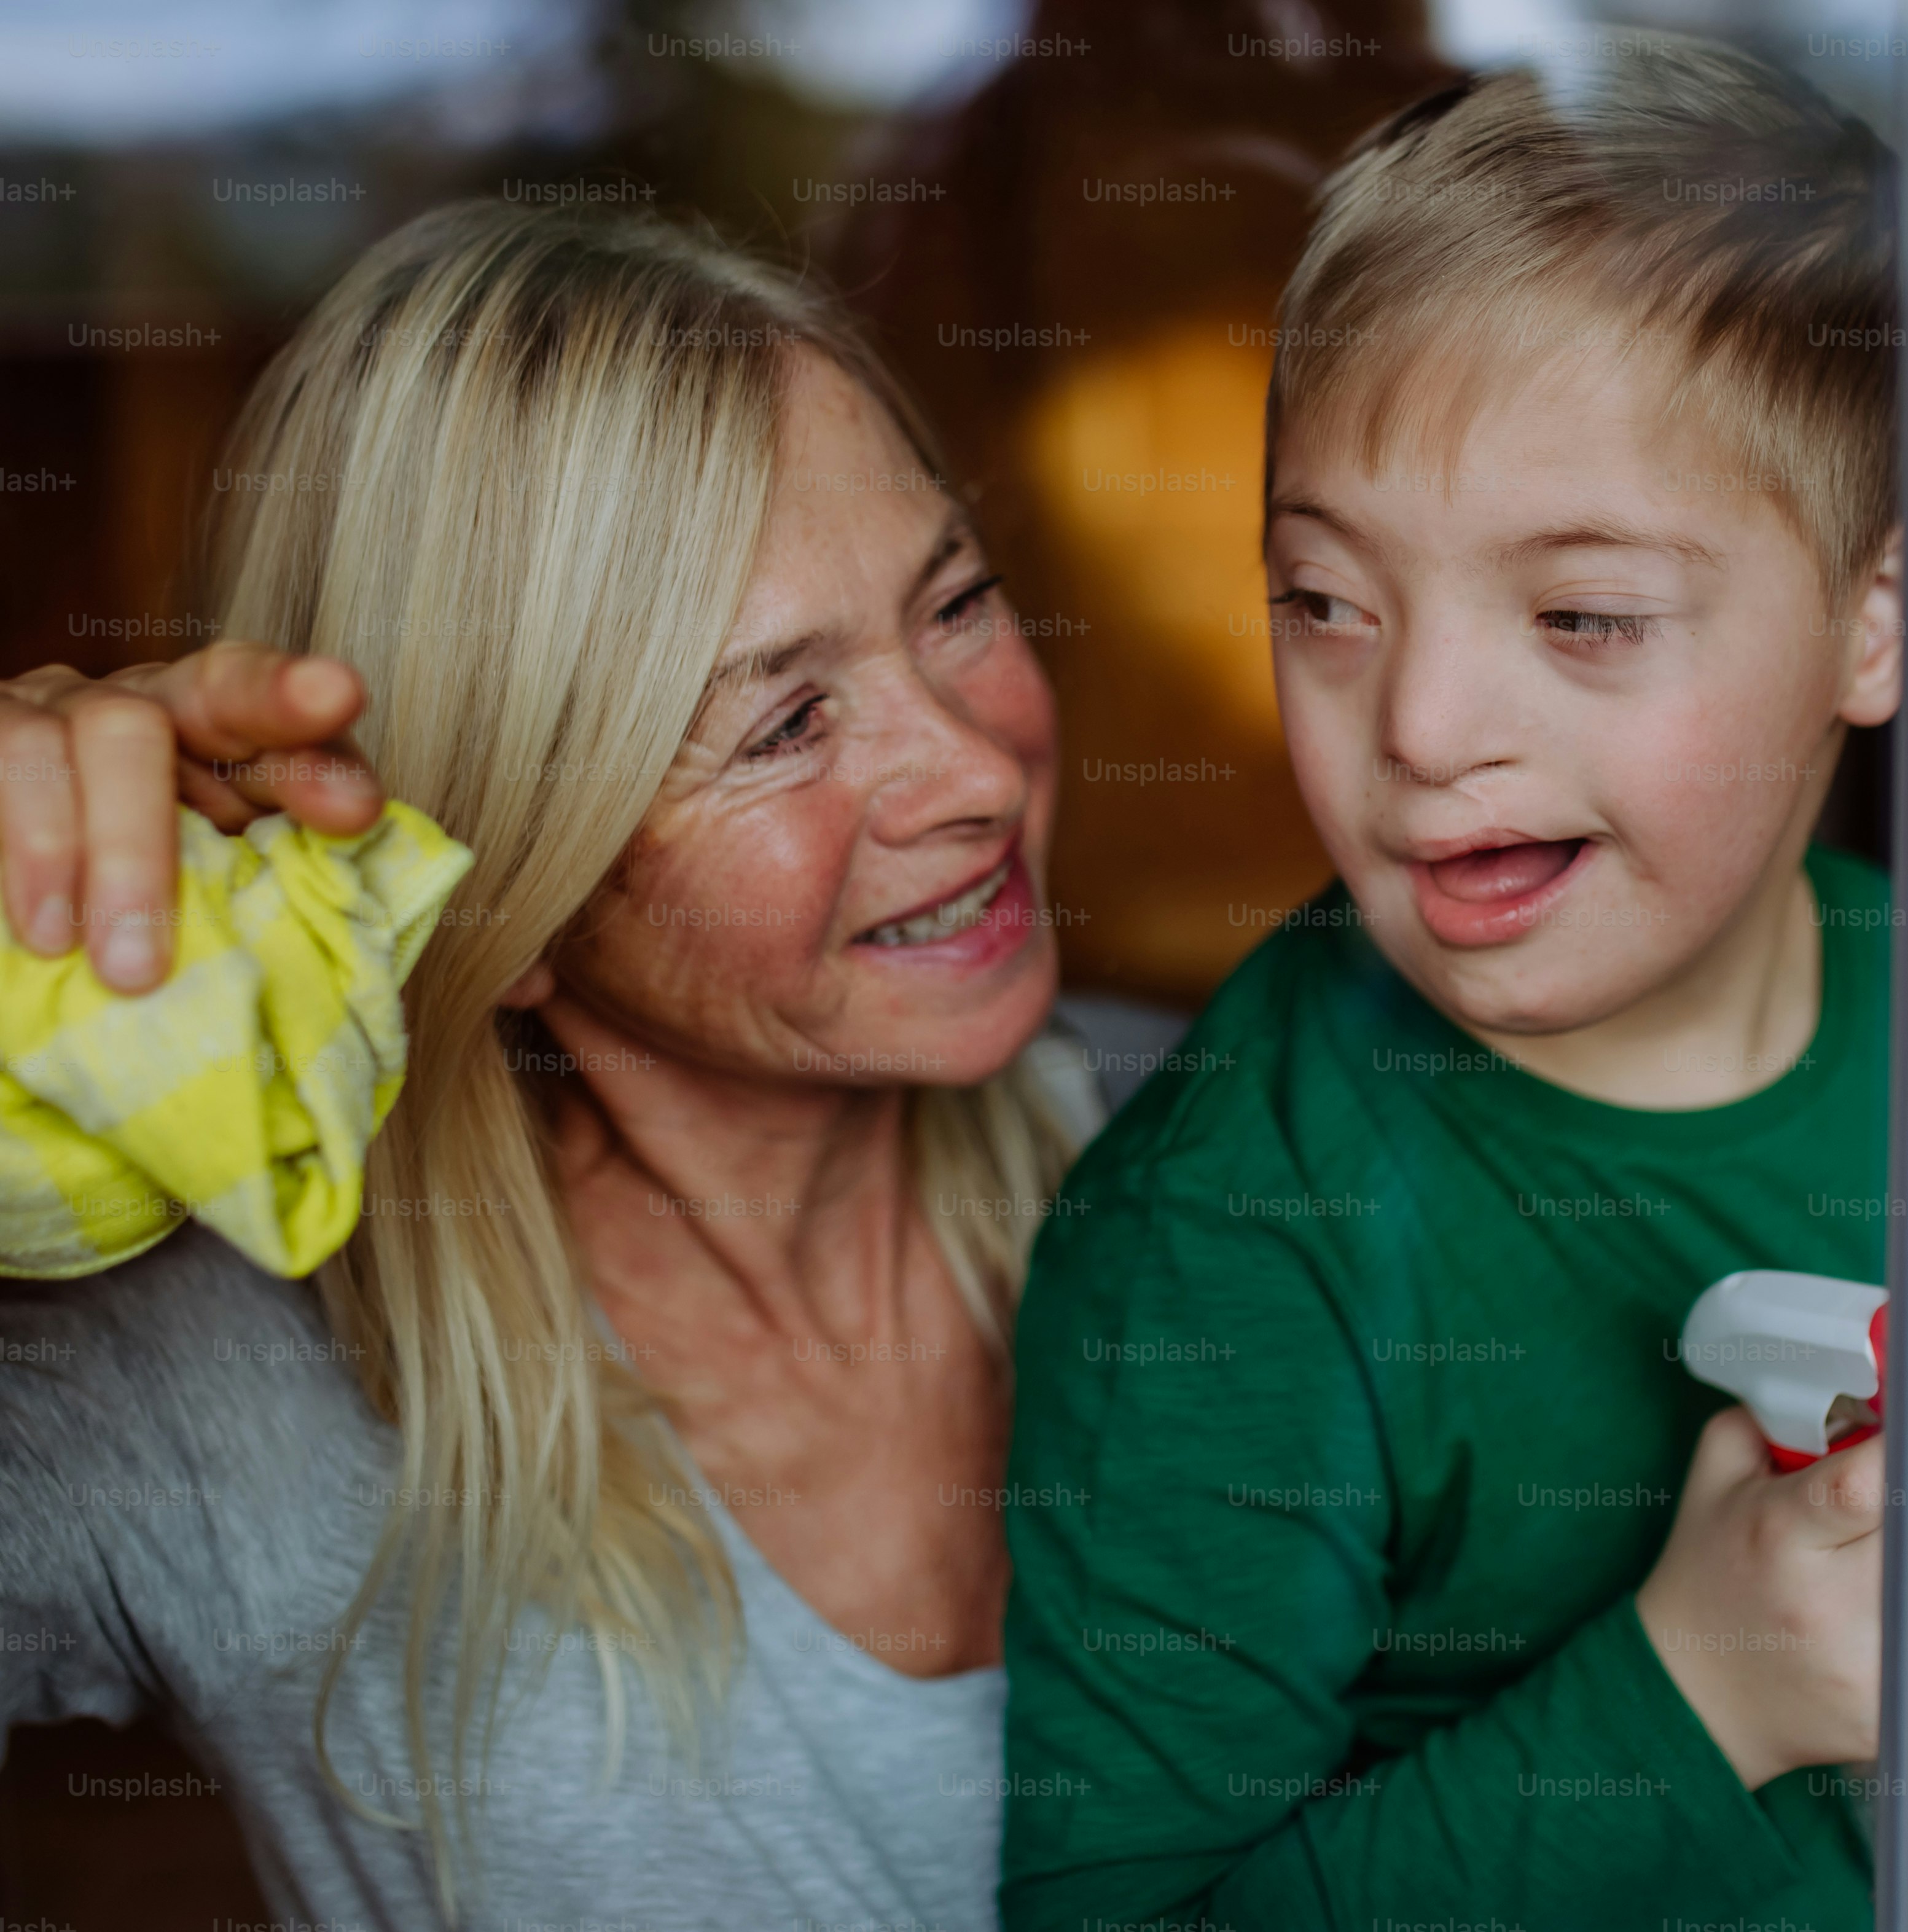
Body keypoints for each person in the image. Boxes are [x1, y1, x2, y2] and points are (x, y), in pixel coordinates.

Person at [1001, 37, 1908, 1929]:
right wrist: (1705, 1685)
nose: (1417, 724)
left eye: (1581, 616)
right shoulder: (1226, 1234)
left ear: (1878, 619)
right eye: (1328, 602)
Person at [0, 200, 1159, 1927]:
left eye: (957, 601)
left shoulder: (1241, 1143)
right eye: (784, 722)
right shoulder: (227, 1396)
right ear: (505, 899)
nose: (970, 767)